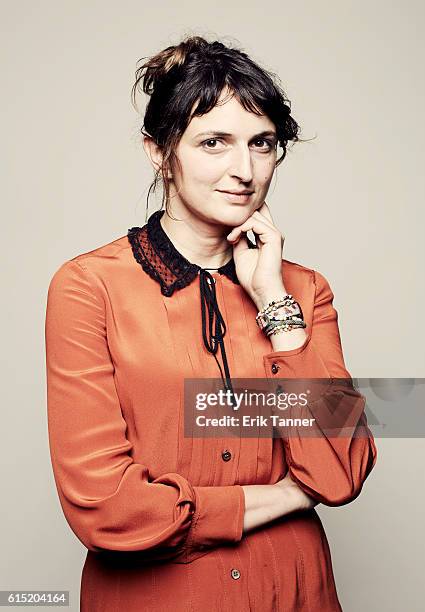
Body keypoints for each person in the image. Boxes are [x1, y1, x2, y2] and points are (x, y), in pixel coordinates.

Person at [45, 35, 377, 611]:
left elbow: (340, 472)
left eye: (262, 143)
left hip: (293, 593)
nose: (243, 170)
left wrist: (274, 302)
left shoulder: (305, 289)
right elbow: (106, 508)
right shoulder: (88, 287)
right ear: (160, 151)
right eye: (214, 143)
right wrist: (284, 497)